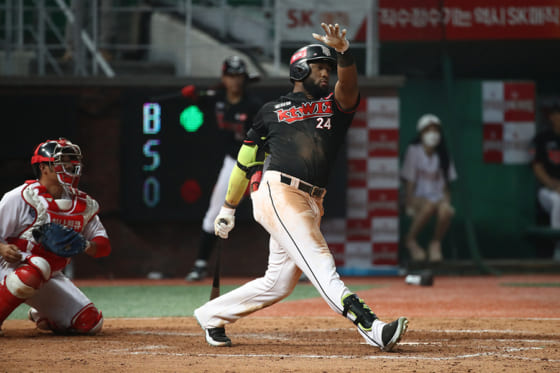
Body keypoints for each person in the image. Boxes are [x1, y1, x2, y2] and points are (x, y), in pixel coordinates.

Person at [193, 23, 408, 351]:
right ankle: (373, 328)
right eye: (320, 68)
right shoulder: (270, 110)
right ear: (299, 69)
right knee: (321, 261)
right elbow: (245, 158)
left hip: (311, 201)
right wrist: (227, 207)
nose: (327, 74)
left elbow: (348, 86)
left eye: (329, 69)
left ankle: (211, 314)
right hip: (279, 192)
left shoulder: (335, 106)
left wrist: (343, 53)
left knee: (277, 284)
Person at [0, 138, 111, 335]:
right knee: (35, 268)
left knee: (90, 323)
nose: (70, 165)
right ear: (44, 167)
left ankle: (42, 313)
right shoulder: (20, 197)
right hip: (7, 267)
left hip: (47, 274)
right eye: (62, 160)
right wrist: (2, 248)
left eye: (72, 160)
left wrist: (84, 245)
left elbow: (103, 247)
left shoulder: (83, 204)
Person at [185, 56, 262, 281]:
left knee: (272, 212)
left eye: (239, 76)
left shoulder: (253, 104)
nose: (235, 81)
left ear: (244, 79)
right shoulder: (217, 98)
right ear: (224, 78)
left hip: (259, 161)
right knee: (215, 211)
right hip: (233, 162)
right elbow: (199, 100)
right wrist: (193, 96)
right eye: (231, 76)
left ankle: (298, 265)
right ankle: (200, 264)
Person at [400, 114, 457, 262]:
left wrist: (446, 202)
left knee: (447, 211)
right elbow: (409, 181)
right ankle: (410, 240)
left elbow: (446, 185)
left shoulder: (444, 154)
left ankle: (435, 243)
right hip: (418, 197)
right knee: (429, 205)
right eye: (428, 130)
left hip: (437, 197)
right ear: (421, 133)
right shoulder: (414, 151)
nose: (433, 134)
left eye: (436, 130)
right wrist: (409, 203)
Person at [531, 102, 560, 261]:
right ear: (551, 117)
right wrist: (553, 185)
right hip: (547, 190)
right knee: (558, 202)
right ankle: (558, 249)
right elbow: (537, 167)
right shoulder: (543, 138)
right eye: (557, 113)